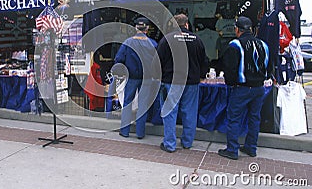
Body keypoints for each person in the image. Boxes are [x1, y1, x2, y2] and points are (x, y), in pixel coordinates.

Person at [218, 16, 271, 160]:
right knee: (254, 118)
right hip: (259, 88)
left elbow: (230, 69)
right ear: (251, 29)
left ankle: (232, 149)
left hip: (241, 88)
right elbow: (268, 68)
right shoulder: (263, 45)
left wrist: (231, 83)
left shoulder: (235, 45)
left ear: (237, 29)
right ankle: (251, 148)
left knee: (234, 118)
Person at [154, 14, 208, 152]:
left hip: (171, 81)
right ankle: (187, 142)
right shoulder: (197, 40)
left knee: (170, 113)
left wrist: (157, 76)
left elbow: (157, 61)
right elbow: (204, 61)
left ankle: (169, 144)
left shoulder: (167, 39)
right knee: (189, 112)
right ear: (187, 25)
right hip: (191, 82)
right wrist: (201, 76)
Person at [114, 17, 158, 139]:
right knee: (143, 105)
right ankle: (140, 133)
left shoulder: (128, 42)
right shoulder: (153, 44)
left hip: (132, 77)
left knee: (127, 103)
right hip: (147, 78)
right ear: (147, 28)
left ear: (135, 28)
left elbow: (118, 59)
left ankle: (125, 131)